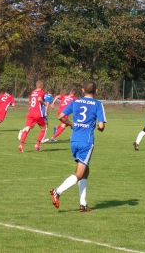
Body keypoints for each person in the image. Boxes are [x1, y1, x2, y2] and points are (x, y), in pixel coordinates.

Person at [50, 81, 106, 212]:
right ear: (96, 91)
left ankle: (83, 204)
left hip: (74, 140)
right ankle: (57, 191)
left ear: (82, 90)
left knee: (86, 172)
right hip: (86, 142)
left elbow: (61, 116)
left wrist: (71, 124)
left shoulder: (75, 102)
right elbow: (101, 126)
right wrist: (99, 127)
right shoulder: (98, 104)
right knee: (79, 174)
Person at [18, 80, 46, 152]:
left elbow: (30, 101)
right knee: (43, 128)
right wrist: (44, 104)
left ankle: (21, 145)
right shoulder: (42, 92)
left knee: (27, 129)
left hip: (30, 113)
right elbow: (39, 99)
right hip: (37, 113)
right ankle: (37, 144)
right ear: (42, 86)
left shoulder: (33, 92)